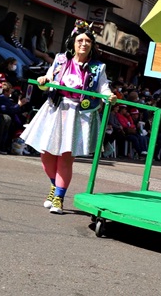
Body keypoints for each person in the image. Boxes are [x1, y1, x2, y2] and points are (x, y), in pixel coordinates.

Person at [20, 21, 116, 214]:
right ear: (73, 42)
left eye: (88, 41)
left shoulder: (99, 67)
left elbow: (103, 88)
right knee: (46, 154)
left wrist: (109, 96)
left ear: (92, 45)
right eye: (80, 40)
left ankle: (59, 198)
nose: (84, 44)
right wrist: (43, 81)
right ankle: (55, 187)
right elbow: (47, 81)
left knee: (65, 157)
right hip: (55, 109)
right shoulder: (60, 59)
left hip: (78, 114)